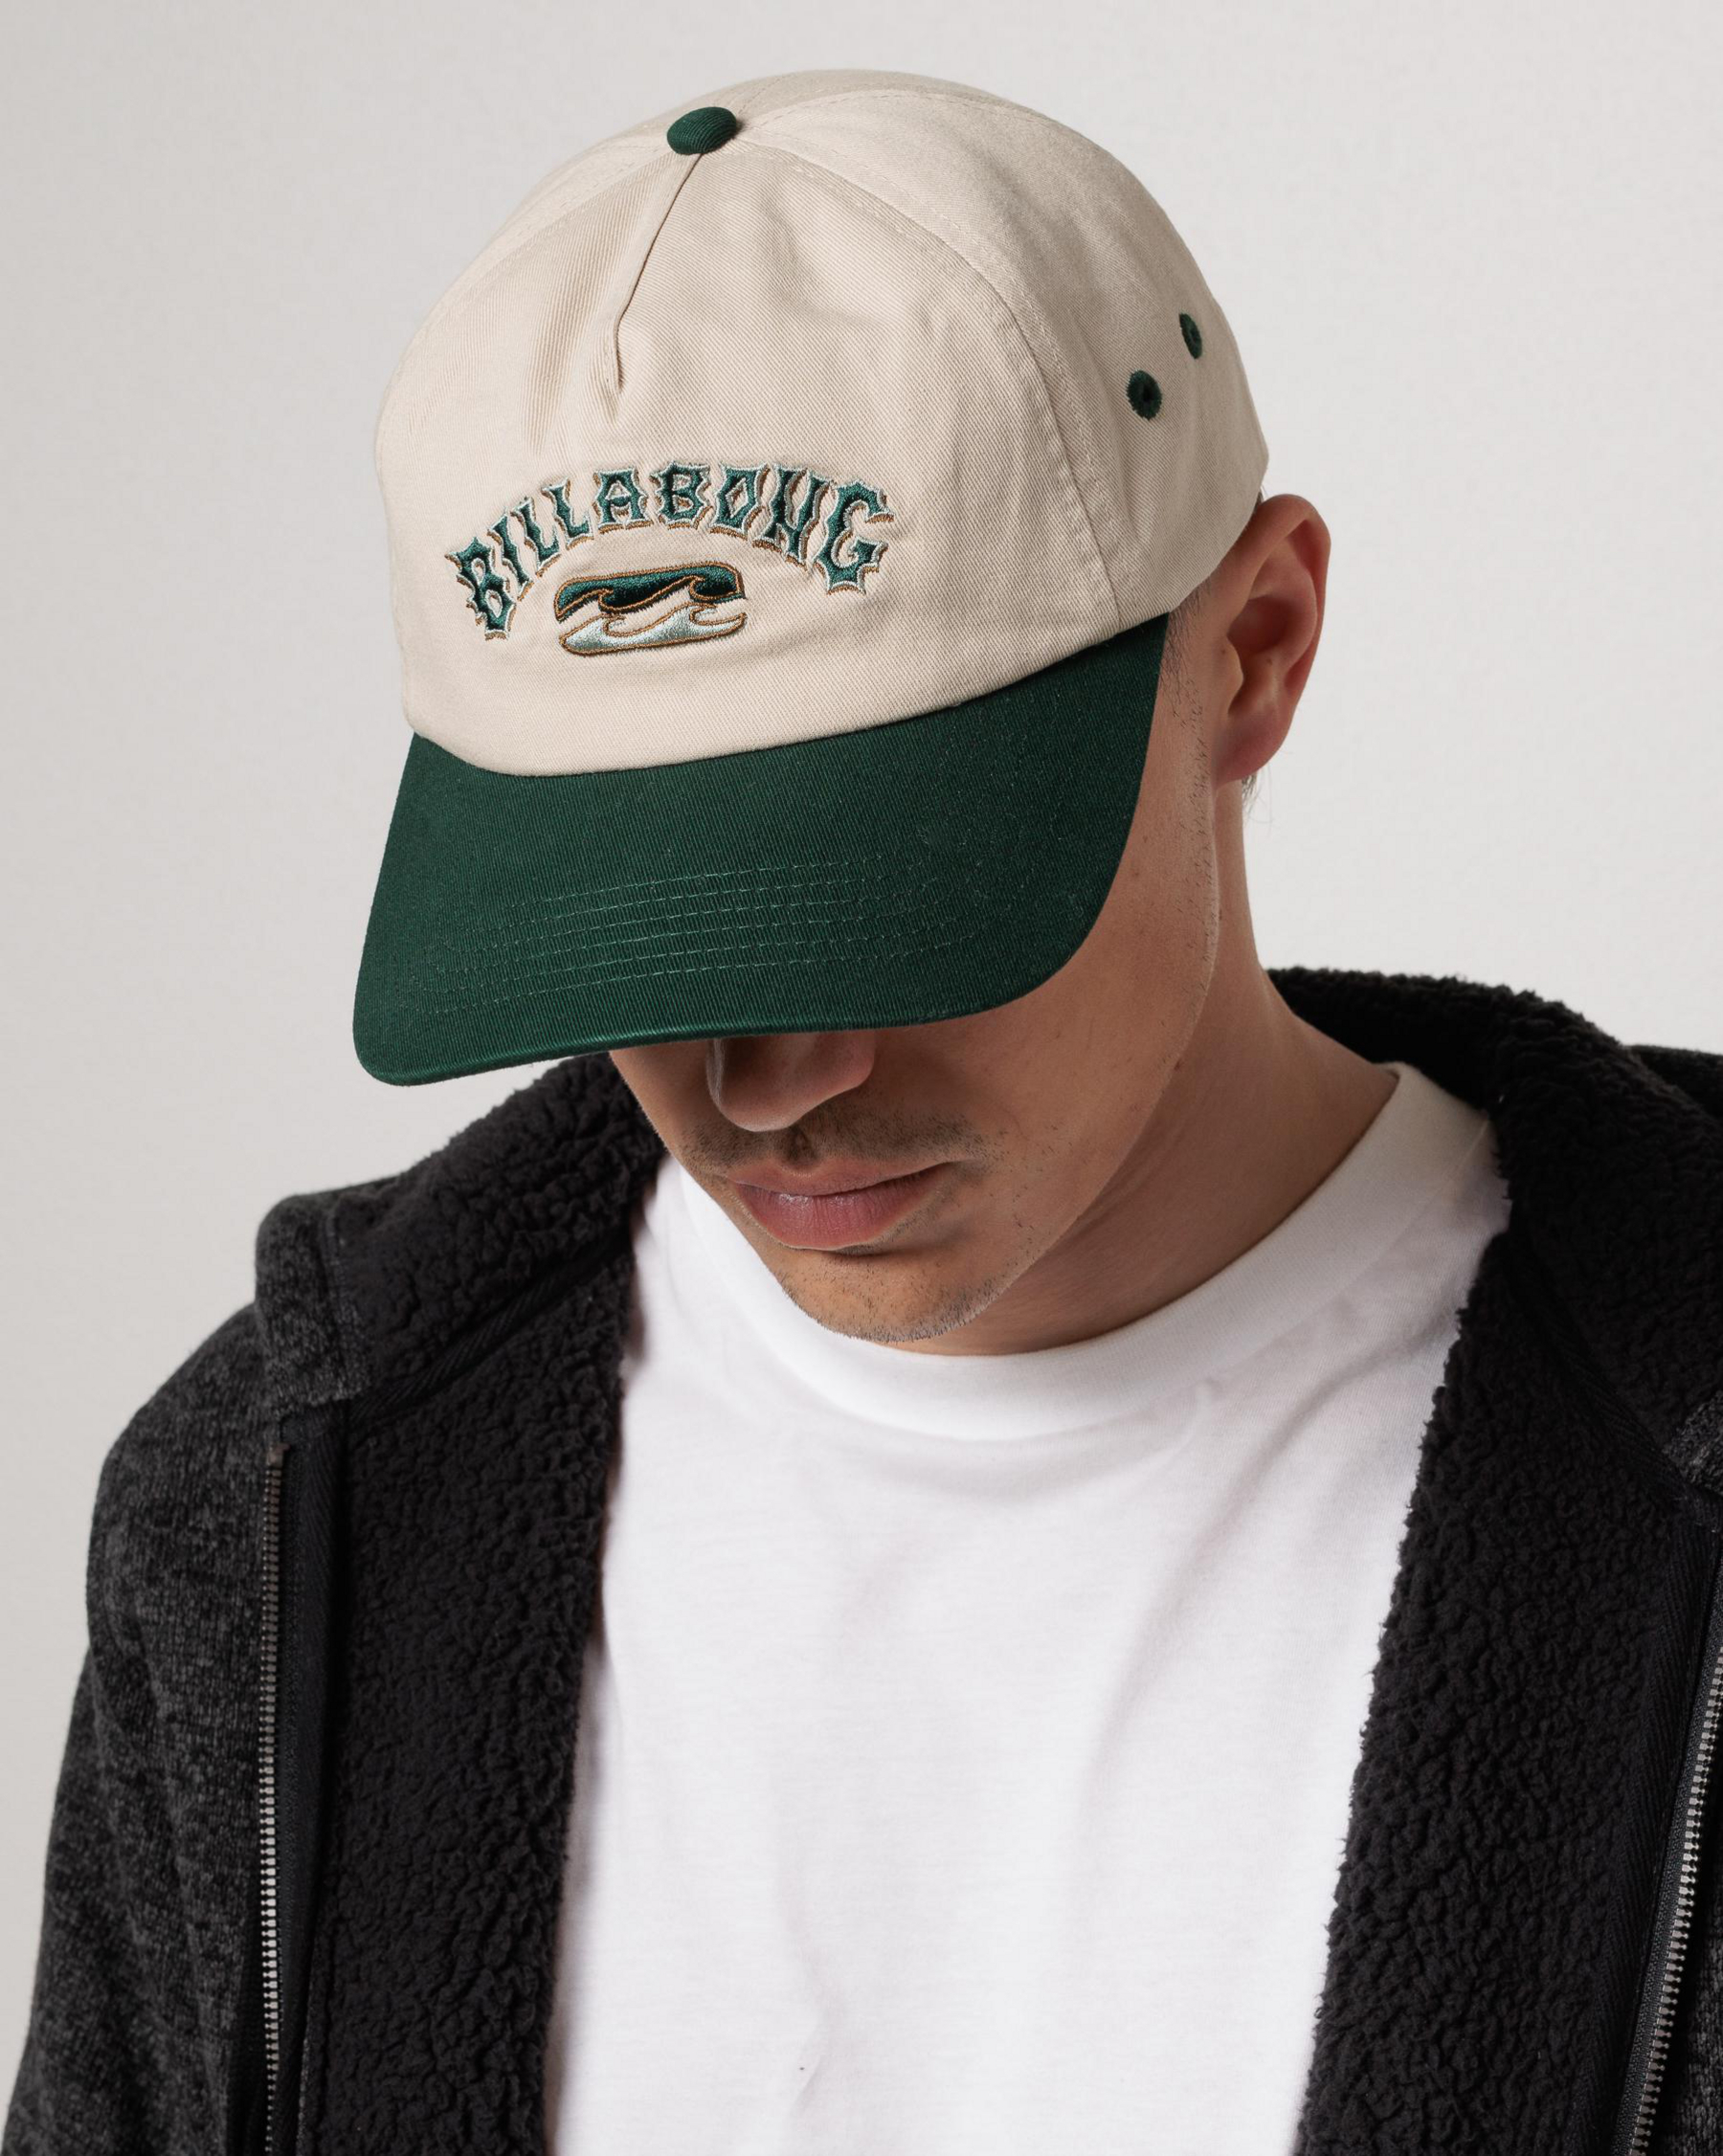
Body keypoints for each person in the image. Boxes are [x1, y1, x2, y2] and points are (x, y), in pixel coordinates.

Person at [6, 65, 1722, 2156]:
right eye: (643, 933)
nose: (770, 1083)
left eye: (890, 902)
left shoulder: (1674, 1447)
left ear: (1255, 650)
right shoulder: (272, 1517)